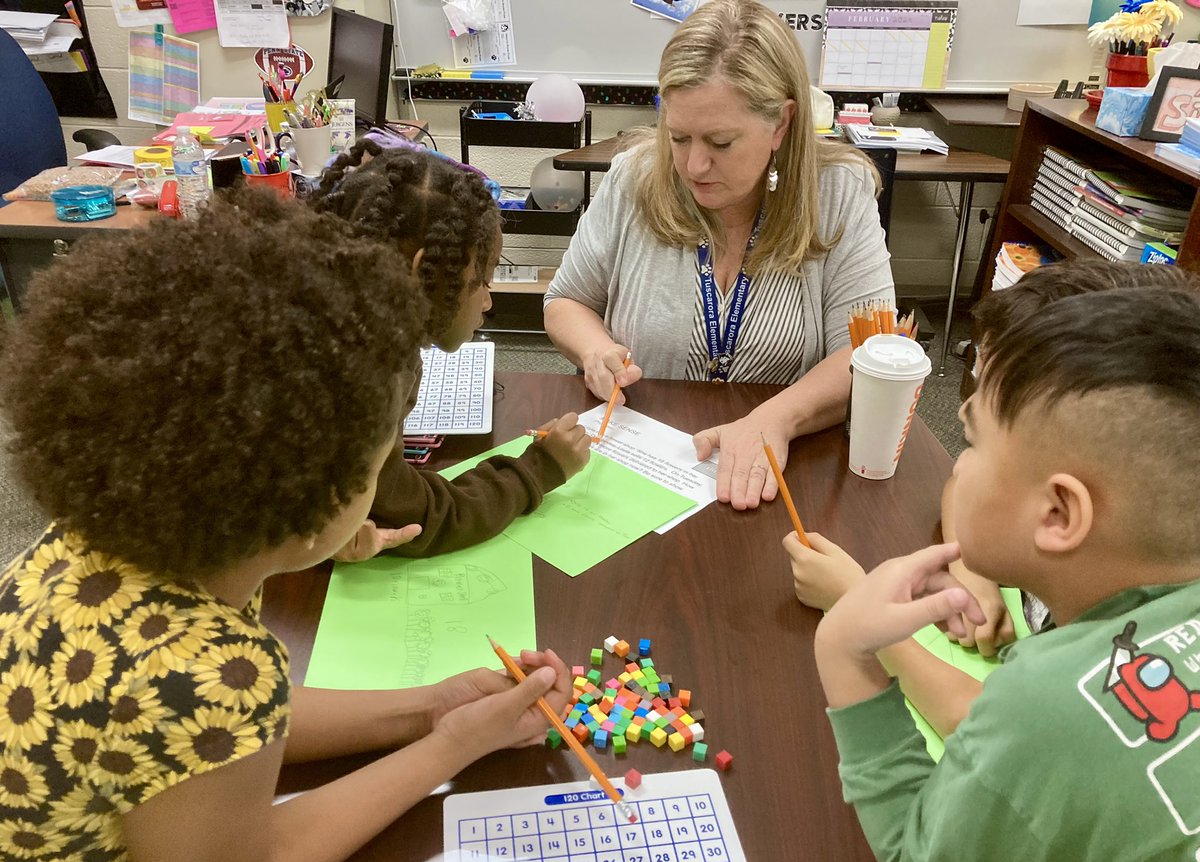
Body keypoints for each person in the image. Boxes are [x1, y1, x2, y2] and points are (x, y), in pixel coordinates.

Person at [0, 191, 570, 862]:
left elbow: (218, 739)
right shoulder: (217, 672)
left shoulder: (99, 545)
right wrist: (451, 746)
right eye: (380, 460)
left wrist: (430, 707)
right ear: (314, 496)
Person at [812, 285, 1200, 862]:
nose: (956, 467)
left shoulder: (1048, 704)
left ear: (1058, 514)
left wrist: (845, 651)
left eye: (973, 444)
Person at [786, 261, 1200, 736]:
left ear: (1059, 513)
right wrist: (971, 569)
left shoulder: (1102, 675)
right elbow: (964, 486)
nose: (960, 412)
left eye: (980, 440)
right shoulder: (1137, 531)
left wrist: (862, 613)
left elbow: (983, 729)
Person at [543, 0, 893, 512]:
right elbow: (566, 301)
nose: (694, 164)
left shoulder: (838, 194)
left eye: (721, 142)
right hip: (640, 469)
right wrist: (595, 350)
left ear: (781, 124)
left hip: (773, 477)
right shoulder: (633, 177)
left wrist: (778, 418)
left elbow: (869, 355)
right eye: (679, 136)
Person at [312, 141, 592, 562]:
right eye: (483, 276)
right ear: (423, 271)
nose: (488, 301)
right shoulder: (370, 376)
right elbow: (418, 516)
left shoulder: (335, 323)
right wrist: (539, 469)